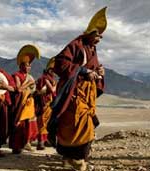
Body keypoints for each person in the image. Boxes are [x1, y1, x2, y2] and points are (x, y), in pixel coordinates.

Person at [50, 7, 107, 171]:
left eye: (101, 37)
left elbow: (94, 69)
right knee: (72, 125)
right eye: (97, 36)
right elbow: (60, 62)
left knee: (86, 126)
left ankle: (79, 158)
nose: (99, 40)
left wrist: (100, 73)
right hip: (74, 95)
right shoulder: (76, 45)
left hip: (86, 95)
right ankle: (72, 158)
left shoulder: (92, 49)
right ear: (90, 33)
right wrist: (82, 70)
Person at [9, 44, 40, 154]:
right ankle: (16, 146)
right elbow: (19, 89)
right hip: (19, 104)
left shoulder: (30, 76)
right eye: (26, 65)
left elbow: (33, 90)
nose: (28, 68)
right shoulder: (17, 75)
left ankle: (27, 143)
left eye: (29, 66)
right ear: (21, 66)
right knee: (19, 124)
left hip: (28, 103)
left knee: (28, 124)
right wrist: (28, 83)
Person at [34, 57, 57, 150]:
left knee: (46, 122)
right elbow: (51, 90)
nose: (54, 72)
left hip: (48, 102)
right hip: (44, 103)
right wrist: (55, 86)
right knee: (42, 122)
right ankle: (40, 142)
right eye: (52, 70)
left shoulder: (48, 78)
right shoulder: (45, 78)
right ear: (49, 70)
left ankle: (46, 140)